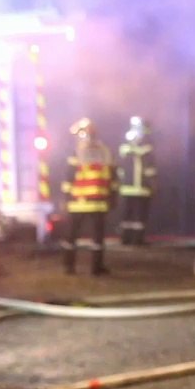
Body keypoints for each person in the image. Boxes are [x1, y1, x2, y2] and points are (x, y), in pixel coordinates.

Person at [60, 118, 118, 276]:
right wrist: (113, 198)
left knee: (71, 237)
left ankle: (69, 267)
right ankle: (96, 268)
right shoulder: (106, 152)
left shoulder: (77, 152)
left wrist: (65, 199)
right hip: (99, 203)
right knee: (98, 239)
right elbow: (113, 179)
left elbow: (68, 178)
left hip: (78, 203)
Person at [117, 116, 157, 246]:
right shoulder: (147, 149)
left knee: (127, 214)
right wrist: (153, 184)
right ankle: (137, 240)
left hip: (126, 188)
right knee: (140, 216)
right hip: (142, 188)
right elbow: (150, 170)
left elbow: (120, 168)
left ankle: (125, 238)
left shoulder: (124, 148)